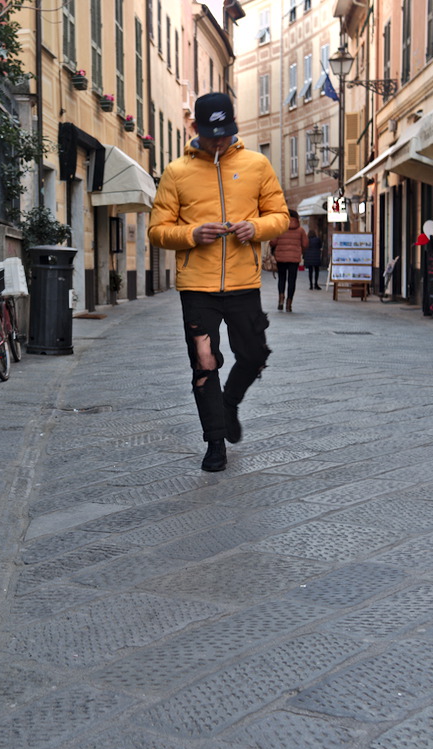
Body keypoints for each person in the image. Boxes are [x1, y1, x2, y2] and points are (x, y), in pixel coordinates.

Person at [148, 92, 289, 472]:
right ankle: (214, 442)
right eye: (212, 134)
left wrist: (255, 227)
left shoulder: (257, 165)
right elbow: (157, 231)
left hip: (244, 283)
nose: (219, 141)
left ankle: (229, 404)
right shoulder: (176, 172)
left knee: (255, 355)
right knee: (204, 363)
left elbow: (281, 216)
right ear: (196, 129)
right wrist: (192, 234)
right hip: (197, 287)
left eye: (225, 133)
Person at [269, 210, 308, 312]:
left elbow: (272, 242)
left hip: (281, 257)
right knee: (292, 280)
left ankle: (281, 299)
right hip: (294, 259)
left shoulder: (280, 229)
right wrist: (299, 251)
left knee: (281, 279)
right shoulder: (300, 230)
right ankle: (289, 303)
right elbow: (305, 244)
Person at [303, 222, 323, 290]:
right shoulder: (318, 239)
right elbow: (320, 246)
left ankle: (311, 284)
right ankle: (316, 284)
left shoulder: (307, 240)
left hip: (309, 257)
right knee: (316, 271)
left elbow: (304, 246)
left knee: (310, 271)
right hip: (316, 256)